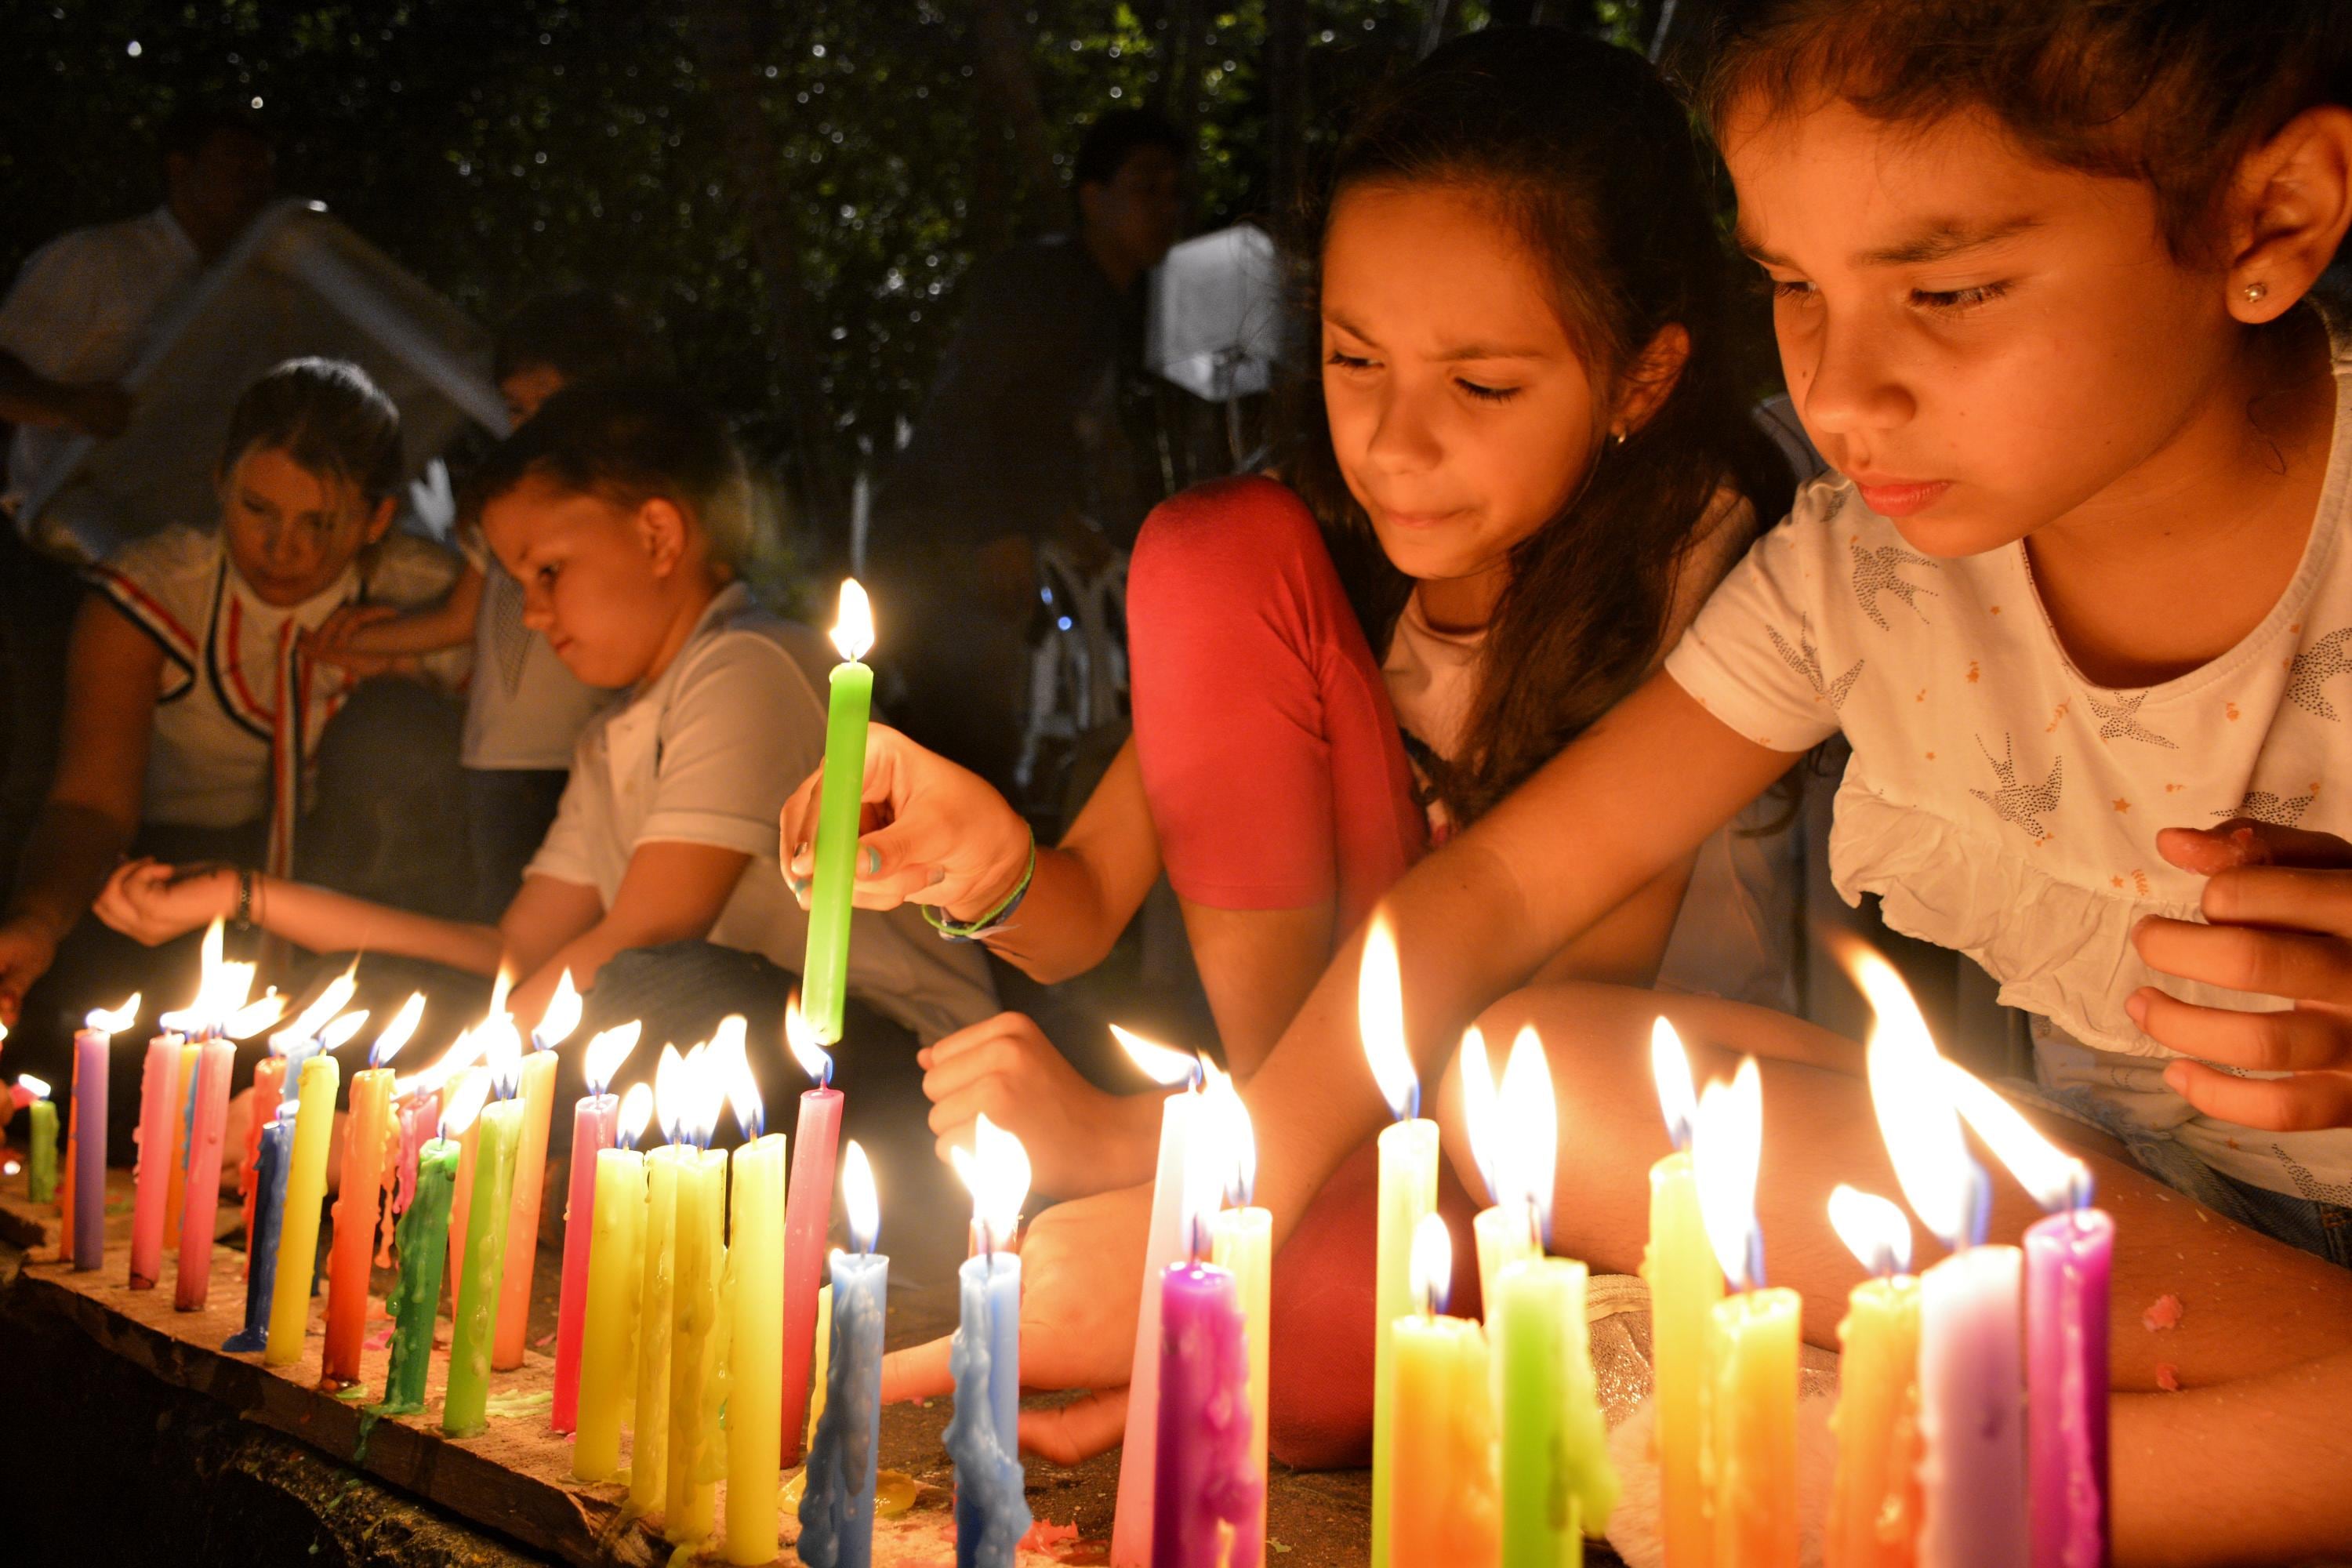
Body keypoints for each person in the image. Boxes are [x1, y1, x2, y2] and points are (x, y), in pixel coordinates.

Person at [894, 3, 2352, 1556]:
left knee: (1662, 1410)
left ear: (2269, 219)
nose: (1847, 391)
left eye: (1949, 288)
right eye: (1794, 286)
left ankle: (1938, 1478)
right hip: (2143, 1232)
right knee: (1542, 1073)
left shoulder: (1717, 544)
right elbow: (1502, 886)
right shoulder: (1861, 578)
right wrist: (1225, 1218)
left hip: (2226, 1267)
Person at [785, 28, 1796, 1463]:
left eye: (1482, 387)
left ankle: (1247, 1245)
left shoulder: (1696, 564)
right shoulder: (1327, 565)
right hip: (1319, 1148)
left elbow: (1522, 1046)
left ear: (1639, 381)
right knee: (1204, 548)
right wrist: (987, 857)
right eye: (1354, 360)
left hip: (1562, 1177)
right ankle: (1265, 1237)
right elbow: (1076, 917)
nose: (1395, 440)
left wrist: (1142, 1147)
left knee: (1108, 1285)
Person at [100, 379, 996, 1076]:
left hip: (894, 1070)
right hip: (754, 1060)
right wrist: (240, 895)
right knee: (410, 994)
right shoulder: (613, 739)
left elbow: (641, 940)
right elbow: (507, 952)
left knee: (649, 987)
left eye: (548, 571)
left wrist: (436, 1101)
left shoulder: (751, 663)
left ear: (656, 536)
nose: (530, 614)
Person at [0, 358, 469, 1134]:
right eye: (259, 510)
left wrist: (427, 659)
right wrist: (39, 920)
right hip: (168, 869)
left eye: (319, 523)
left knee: (401, 731)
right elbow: (89, 800)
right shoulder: (159, 589)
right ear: (220, 482)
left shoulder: (427, 597)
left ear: (376, 521)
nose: (282, 548)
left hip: (344, 878)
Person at [305, 291, 669, 917]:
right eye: (515, 408)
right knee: (502, 912)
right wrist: (341, 642)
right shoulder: (503, 510)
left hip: (583, 760)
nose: (531, 425)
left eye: (548, 404)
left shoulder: (627, 514)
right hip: (492, 762)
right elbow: (456, 620)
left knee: (581, 917)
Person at [0, 106, 278, 895]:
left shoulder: (262, 285)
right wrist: (67, 406)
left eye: (262, 170)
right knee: (55, 759)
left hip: (189, 566)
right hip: (66, 549)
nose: (251, 184)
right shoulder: (100, 262)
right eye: (234, 165)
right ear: (180, 169)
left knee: (162, 769)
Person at [869, 107, 1185, 795]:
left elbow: (1040, 433)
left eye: (1174, 192)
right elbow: (970, 409)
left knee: (987, 733)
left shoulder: (1116, 304)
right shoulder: (1042, 284)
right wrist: (999, 530)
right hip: (940, 541)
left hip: (983, 537)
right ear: (1093, 199)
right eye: (1146, 187)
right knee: (964, 746)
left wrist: (1066, 526)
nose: (1165, 208)